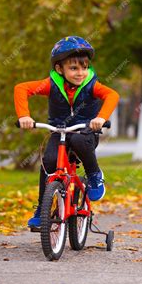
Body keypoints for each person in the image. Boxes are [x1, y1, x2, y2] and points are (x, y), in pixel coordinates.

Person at [14, 36, 119, 228]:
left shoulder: (91, 85)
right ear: (59, 69)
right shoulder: (51, 84)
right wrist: (24, 116)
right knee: (48, 162)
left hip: (84, 131)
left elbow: (112, 95)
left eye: (84, 67)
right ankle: (41, 208)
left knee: (79, 142)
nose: (80, 73)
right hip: (59, 130)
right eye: (74, 68)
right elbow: (22, 88)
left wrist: (100, 119)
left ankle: (95, 174)